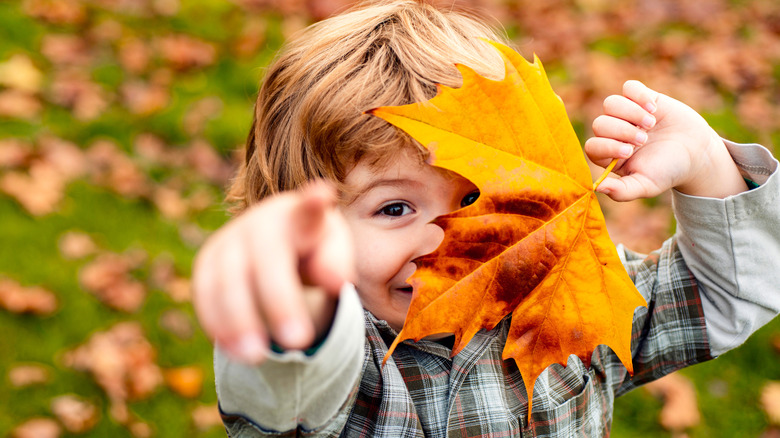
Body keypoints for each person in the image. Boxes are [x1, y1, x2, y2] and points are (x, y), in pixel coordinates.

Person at [192, 0, 780, 436]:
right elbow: (288, 386)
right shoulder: (349, 372)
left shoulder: (568, 299)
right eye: (395, 207)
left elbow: (729, 288)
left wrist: (706, 162)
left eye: (479, 199)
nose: (448, 239)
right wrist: (290, 300)